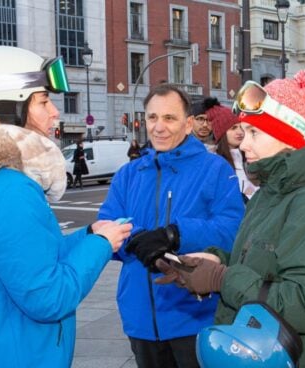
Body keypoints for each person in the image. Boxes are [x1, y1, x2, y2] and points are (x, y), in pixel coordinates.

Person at [0, 46, 132, 368]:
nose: (55, 112)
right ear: (10, 106)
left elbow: (25, 259)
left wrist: (88, 234)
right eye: (43, 101)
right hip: (7, 355)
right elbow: (48, 297)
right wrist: (101, 245)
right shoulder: (9, 187)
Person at [155, 70, 305, 367]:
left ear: (290, 138)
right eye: (244, 132)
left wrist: (222, 279)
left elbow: (304, 305)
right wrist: (212, 261)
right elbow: (262, 260)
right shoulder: (270, 193)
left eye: (255, 134)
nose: (242, 144)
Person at [98, 84, 245, 368]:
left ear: (188, 124)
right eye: (152, 118)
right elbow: (107, 225)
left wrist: (176, 235)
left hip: (194, 315)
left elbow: (232, 231)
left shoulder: (215, 169)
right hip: (140, 316)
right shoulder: (129, 174)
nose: (159, 127)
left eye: (169, 118)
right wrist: (138, 241)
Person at [206, 97, 258, 201]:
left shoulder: (245, 154)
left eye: (240, 127)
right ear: (222, 133)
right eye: (233, 128)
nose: (240, 132)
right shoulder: (213, 161)